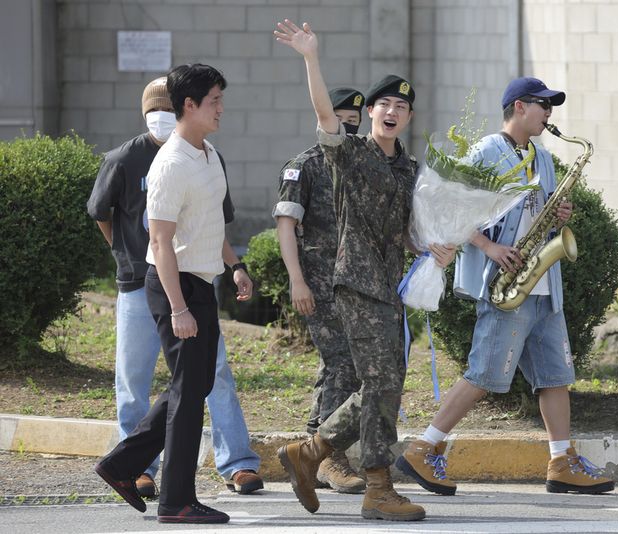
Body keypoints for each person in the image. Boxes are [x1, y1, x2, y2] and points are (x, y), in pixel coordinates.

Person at [396, 77, 615, 497]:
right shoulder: (484, 152)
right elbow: (454, 210)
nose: (549, 114)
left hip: (543, 283)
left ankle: (562, 460)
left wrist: (559, 215)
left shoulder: (544, 158)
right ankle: (424, 446)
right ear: (518, 106)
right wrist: (488, 246)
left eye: (550, 107)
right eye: (543, 106)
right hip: (506, 283)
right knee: (483, 374)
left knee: (555, 376)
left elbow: (542, 211)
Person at [273, 19, 455, 522]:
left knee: (384, 384)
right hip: (355, 281)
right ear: (370, 113)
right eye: (384, 105)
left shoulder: (409, 168)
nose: (392, 112)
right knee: (381, 383)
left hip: (391, 286)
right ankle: (378, 487)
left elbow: (406, 231)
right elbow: (323, 116)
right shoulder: (350, 155)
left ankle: (309, 453)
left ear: (409, 116)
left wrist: (432, 248)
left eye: (402, 106)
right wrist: (311, 57)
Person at [87, 77, 262, 499]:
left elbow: (211, 223)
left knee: (202, 379)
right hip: (160, 284)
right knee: (145, 379)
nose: (221, 108)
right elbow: (143, 233)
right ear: (189, 106)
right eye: (214, 101)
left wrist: (234, 265)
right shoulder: (140, 160)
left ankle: (227, 464)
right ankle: (142, 472)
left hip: (197, 282)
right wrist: (175, 303)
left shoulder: (208, 156)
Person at [273, 87, 367, 494]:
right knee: (344, 363)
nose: (348, 126)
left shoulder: (361, 164)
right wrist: (297, 279)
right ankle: (330, 456)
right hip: (317, 283)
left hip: (356, 284)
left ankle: (311, 443)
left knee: (338, 365)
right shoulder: (304, 167)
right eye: (340, 119)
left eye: (353, 121)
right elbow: (286, 226)